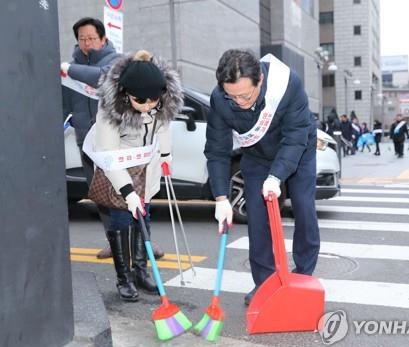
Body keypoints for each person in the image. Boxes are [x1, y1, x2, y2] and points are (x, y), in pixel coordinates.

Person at [204, 49, 320, 306]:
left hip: (297, 150)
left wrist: (277, 176)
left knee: (302, 204)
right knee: (257, 217)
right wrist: (221, 197)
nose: (240, 102)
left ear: (261, 79)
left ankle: (303, 276)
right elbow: (217, 150)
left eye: (246, 95)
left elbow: (296, 134)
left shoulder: (288, 83)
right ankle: (265, 283)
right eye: (232, 96)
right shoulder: (220, 100)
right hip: (256, 156)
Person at [61, 18, 164, 260]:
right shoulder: (71, 68)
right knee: (103, 195)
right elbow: (64, 101)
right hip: (87, 142)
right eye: (82, 39)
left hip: (120, 143)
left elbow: (100, 77)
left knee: (134, 193)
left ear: (103, 39)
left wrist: (68, 68)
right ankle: (114, 242)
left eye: (91, 38)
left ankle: (143, 243)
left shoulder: (116, 62)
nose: (86, 43)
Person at [88, 50, 183, 301]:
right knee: (121, 221)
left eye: (153, 101)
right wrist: (128, 192)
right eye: (141, 101)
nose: (148, 106)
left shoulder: (162, 101)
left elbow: (163, 128)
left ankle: (141, 271)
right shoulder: (110, 110)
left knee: (144, 218)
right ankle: (124, 277)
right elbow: (107, 154)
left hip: (148, 172)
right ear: (125, 93)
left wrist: (165, 157)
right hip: (118, 170)